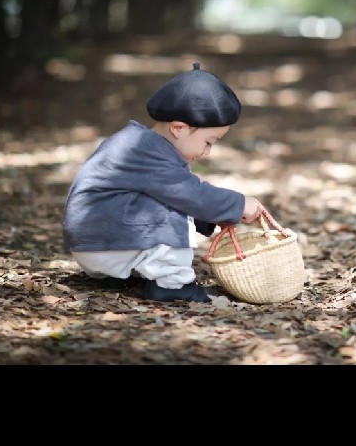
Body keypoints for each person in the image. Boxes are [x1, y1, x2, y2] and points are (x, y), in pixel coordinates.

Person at [62, 62, 264, 303]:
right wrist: (239, 204)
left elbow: (173, 190)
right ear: (178, 128)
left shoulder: (143, 145)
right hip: (104, 243)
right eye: (209, 141)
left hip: (98, 242)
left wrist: (208, 216)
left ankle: (126, 274)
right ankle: (173, 285)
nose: (208, 152)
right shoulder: (146, 151)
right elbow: (191, 194)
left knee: (173, 205)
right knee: (174, 212)